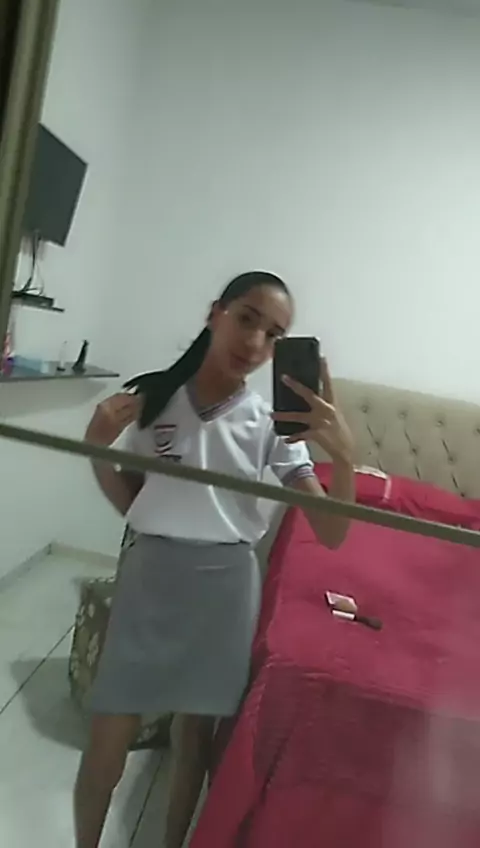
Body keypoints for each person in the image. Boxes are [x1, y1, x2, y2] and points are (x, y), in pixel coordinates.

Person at [74, 270, 355, 848]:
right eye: (247, 318)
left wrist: (345, 457)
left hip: (225, 590)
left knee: (194, 739)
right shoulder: (153, 400)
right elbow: (134, 503)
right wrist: (95, 448)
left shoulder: (273, 426)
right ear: (215, 314)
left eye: (273, 335)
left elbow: (331, 532)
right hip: (151, 576)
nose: (255, 342)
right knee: (108, 736)